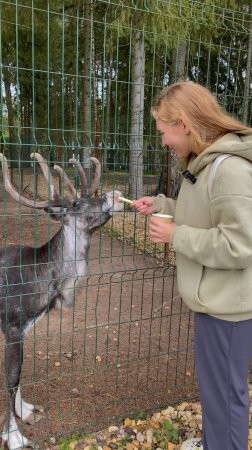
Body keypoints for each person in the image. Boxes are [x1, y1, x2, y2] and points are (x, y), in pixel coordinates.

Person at [132, 81, 252, 450]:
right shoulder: (205, 165)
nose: (164, 141)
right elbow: (205, 217)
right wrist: (163, 206)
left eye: (165, 131)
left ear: (184, 124)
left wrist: (175, 235)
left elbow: (240, 244)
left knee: (225, 398)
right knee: (217, 392)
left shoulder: (227, 170)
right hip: (216, 304)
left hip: (228, 310)